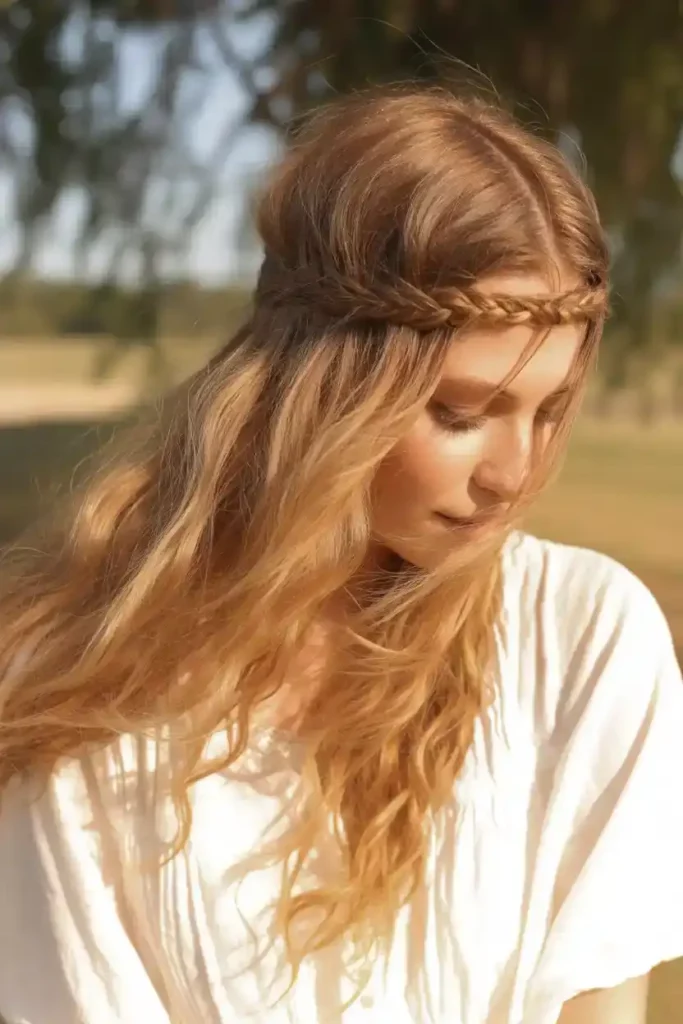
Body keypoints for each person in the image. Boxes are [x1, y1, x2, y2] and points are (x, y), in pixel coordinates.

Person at [0, 85, 681, 1024]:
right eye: (461, 414)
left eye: (549, 409)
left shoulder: (581, 639)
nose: (513, 475)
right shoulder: (81, 692)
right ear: (320, 388)